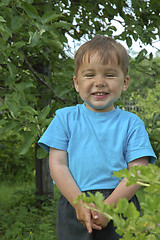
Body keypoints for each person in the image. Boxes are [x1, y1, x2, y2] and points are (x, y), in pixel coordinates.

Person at [38, 35, 156, 240]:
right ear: (76, 82)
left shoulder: (131, 123)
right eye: (89, 75)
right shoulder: (65, 118)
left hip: (120, 203)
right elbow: (57, 165)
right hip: (74, 201)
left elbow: (139, 170)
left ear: (125, 82)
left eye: (110, 75)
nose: (99, 82)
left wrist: (108, 207)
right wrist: (78, 202)